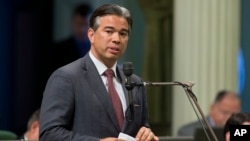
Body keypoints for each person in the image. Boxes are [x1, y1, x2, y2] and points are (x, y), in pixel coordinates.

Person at [40, 4, 159, 141]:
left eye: (123, 33)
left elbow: (142, 129)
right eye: (109, 31)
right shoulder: (66, 77)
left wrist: (147, 133)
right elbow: (49, 134)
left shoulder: (135, 82)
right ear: (91, 35)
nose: (116, 39)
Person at [50, 3, 93, 72]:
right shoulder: (59, 50)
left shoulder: (100, 49)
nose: (82, 29)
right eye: (79, 24)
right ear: (72, 23)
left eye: (85, 24)